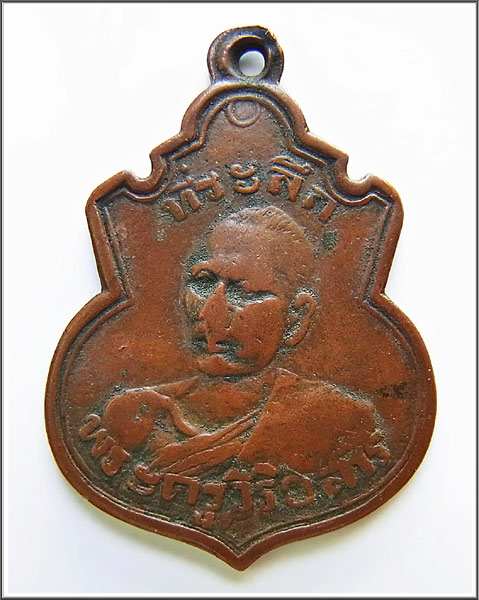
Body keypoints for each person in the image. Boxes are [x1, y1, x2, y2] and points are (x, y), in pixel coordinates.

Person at [98, 206, 390, 487]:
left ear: (296, 318)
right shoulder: (135, 413)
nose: (209, 313)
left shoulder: (339, 420)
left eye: (245, 293)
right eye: (203, 283)